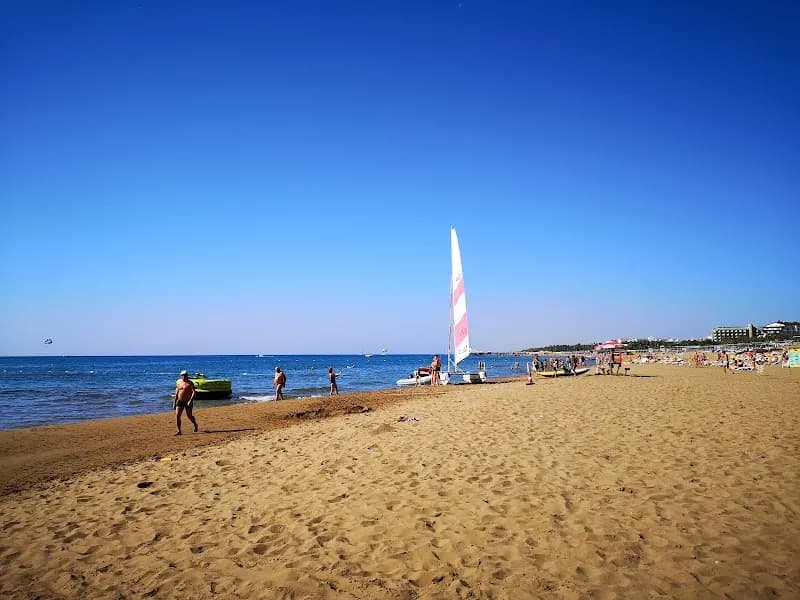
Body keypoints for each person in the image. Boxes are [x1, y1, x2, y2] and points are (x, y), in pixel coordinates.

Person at [173, 370, 198, 436]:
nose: (184, 376)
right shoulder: (179, 383)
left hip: (188, 402)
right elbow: (177, 393)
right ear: (181, 376)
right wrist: (174, 402)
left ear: (187, 375)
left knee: (189, 416)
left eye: (185, 375)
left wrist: (190, 400)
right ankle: (179, 431)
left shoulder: (190, 383)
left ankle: (195, 424)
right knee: (177, 416)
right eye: (183, 375)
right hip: (180, 401)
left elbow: (193, 392)